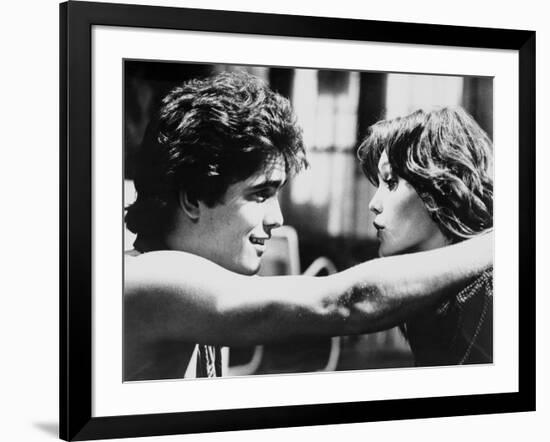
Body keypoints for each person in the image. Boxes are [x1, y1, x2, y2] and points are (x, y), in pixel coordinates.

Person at [124, 71, 493, 381]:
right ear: (191, 197)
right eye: (259, 195)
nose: (277, 218)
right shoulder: (146, 278)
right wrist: (502, 242)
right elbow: (344, 303)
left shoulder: (198, 278)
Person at [357, 106, 493, 366]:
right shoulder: (439, 296)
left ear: (439, 189)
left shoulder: (487, 295)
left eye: (391, 182)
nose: (373, 203)